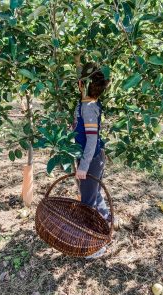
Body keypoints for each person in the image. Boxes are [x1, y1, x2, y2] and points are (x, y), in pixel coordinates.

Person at [73, 62, 111, 258]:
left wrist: (84, 167)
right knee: (95, 195)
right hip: (95, 157)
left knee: (87, 202)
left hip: (92, 158)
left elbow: (92, 139)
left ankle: (94, 247)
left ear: (82, 84)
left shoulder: (88, 107)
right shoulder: (88, 102)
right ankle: (107, 224)